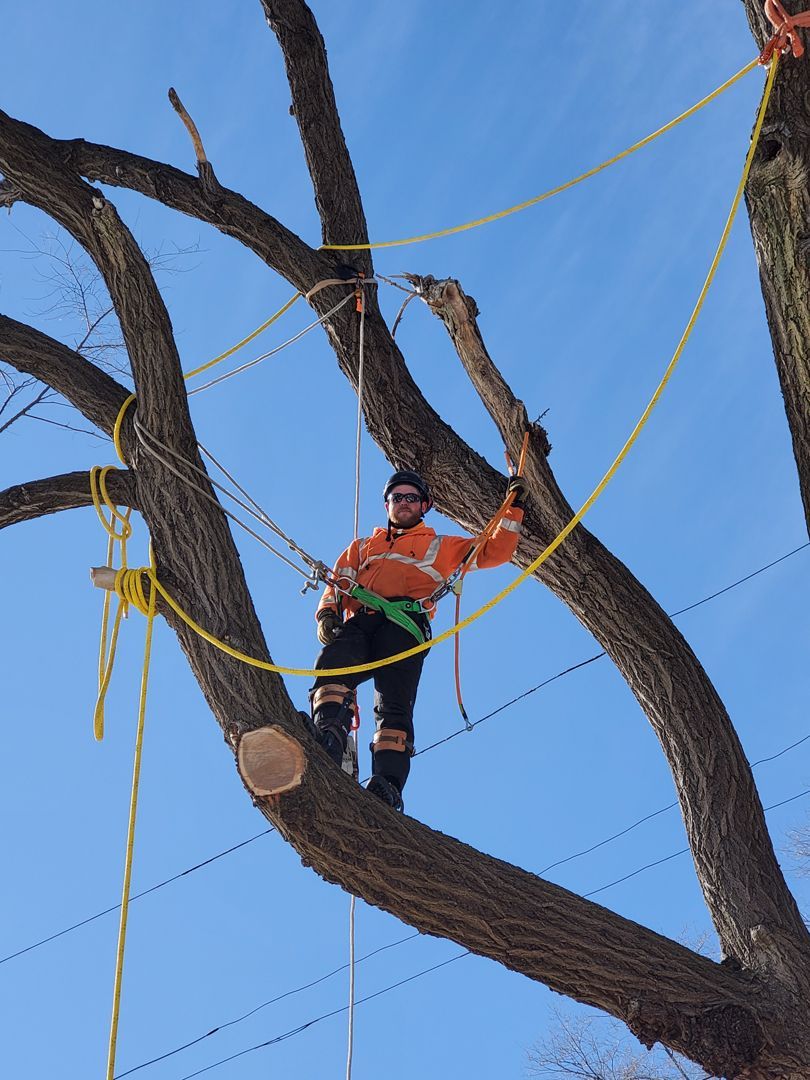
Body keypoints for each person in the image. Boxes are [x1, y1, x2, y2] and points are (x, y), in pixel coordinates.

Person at [309, 469, 527, 812]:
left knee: (393, 704)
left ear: (423, 504)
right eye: (397, 497)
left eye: (411, 497)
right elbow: (338, 581)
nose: (404, 503)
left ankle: (387, 784)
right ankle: (328, 735)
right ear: (387, 505)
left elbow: (493, 551)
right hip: (363, 619)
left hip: (404, 623)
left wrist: (514, 508)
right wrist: (327, 614)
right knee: (334, 666)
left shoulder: (440, 545)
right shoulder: (363, 547)